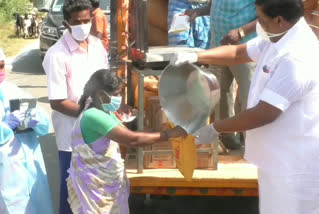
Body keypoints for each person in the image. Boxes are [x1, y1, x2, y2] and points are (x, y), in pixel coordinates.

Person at [170, 0, 319, 213]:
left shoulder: (296, 58)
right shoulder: (277, 35)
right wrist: (195, 55)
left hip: (296, 169)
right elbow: (238, 53)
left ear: (279, 19)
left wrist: (215, 128)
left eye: (261, 19)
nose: (258, 24)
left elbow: (264, 113)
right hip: (276, 163)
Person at [66, 69, 187, 214]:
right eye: (116, 94)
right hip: (96, 188)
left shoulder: (103, 111)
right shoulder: (94, 116)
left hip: (104, 186)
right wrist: (169, 134)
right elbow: (132, 139)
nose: (120, 98)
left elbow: (131, 135)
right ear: (101, 95)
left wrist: (160, 130)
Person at [42, 0, 109, 213]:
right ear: (66, 24)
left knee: (98, 191)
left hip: (99, 134)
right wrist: (90, 116)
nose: (82, 25)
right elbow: (58, 101)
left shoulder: (97, 46)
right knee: (73, 195)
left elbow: (106, 83)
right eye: (76, 22)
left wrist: (113, 105)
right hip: (73, 138)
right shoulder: (57, 55)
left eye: (86, 20)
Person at [184, 0, 257, 149]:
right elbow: (214, 5)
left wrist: (241, 32)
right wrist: (198, 12)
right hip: (218, 45)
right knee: (219, 93)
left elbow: (268, 16)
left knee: (248, 97)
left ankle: (252, 145)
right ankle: (227, 138)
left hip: (245, 49)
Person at [0, 48, 54, 214]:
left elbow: (44, 126)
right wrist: (5, 127)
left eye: (1, 66)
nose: (0, 71)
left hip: (31, 170)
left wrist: (37, 119)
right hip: (7, 173)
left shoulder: (12, 89)